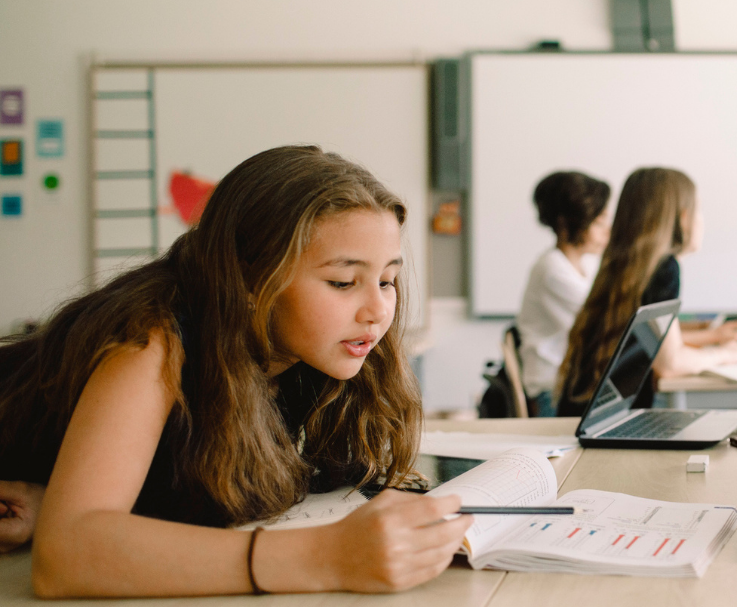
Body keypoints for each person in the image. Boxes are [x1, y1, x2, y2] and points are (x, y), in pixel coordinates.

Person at [0, 145, 471, 597]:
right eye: (343, 282)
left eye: (387, 280)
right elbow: (68, 556)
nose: (377, 310)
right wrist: (325, 556)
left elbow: (190, 481)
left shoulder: (306, 353)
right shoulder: (151, 340)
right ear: (249, 278)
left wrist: (69, 507)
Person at [556, 167, 737, 417]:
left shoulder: (620, 266)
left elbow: (662, 345)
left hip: (582, 417)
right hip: (612, 428)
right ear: (682, 217)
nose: (703, 220)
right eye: (699, 210)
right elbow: (669, 364)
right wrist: (724, 354)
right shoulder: (664, 269)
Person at [516, 171, 611, 416]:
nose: (607, 231)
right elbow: (609, 326)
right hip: (554, 393)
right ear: (566, 222)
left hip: (572, 385)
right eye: (599, 222)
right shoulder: (553, 270)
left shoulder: (586, 265)